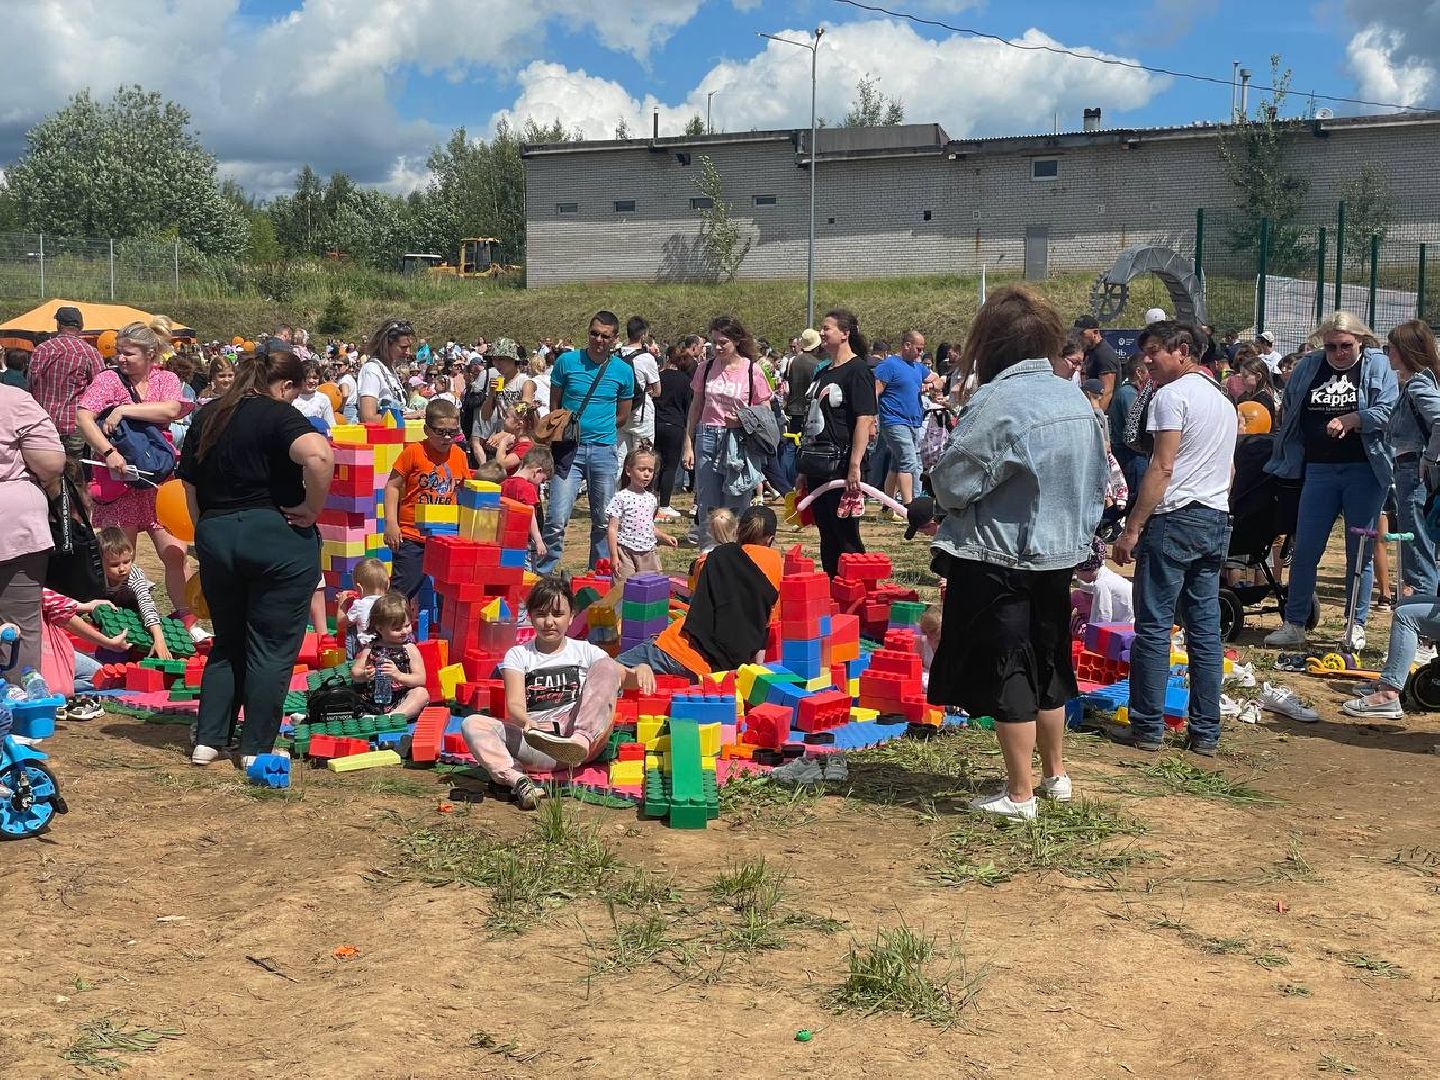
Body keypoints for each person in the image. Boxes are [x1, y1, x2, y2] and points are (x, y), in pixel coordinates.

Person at [928, 284, 1106, 819]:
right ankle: (1056, 775)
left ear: (991, 343)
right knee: (1049, 663)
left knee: (1009, 669)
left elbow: (955, 482)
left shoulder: (1000, 401)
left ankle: (1019, 792)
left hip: (999, 555)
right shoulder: (1072, 396)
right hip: (1058, 553)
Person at [178, 345, 335, 767]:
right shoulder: (278, 413)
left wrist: (205, 528)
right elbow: (319, 455)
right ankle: (256, 747)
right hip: (274, 536)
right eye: (294, 392)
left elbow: (188, 486)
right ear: (284, 385)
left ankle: (208, 740)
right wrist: (313, 509)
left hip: (217, 533)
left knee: (227, 640)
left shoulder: (208, 414)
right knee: (270, 647)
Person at [1111, 322, 1236, 755]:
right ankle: (1206, 732)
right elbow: (1230, 470)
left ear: (1183, 351)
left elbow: (1161, 468)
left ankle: (1147, 726)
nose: (1147, 359)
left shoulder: (1170, 396)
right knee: (1204, 631)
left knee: (1154, 626)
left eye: (1154, 351)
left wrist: (1132, 528)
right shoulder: (1223, 400)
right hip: (1214, 517)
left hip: (1175, 517)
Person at [1263, 312, 1396, 651]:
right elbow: (1291, 404)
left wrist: (1353, 418)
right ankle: (1295, 623)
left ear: (1360, 341)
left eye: (1346, 346)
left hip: (1364, 469)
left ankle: (1355, 625)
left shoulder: (1377, 366)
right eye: (1332, 346)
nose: (1338, 353)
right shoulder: (1310, 366)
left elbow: (1388, 410)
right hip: (1318, 469)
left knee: (1359, 552)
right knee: (1306, 548)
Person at [75, 319, 197, 636]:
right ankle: (119, 618)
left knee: (175, 553)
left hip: (158, 482)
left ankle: (187, 618)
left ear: (150, 353)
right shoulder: (108, 380)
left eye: (128, 353)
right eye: (119, 353)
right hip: (119, 483)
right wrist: (107, 452)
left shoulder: (166, 379)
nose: (121, 359)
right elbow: (83, 416)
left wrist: (123, 411)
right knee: (117, 559)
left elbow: (172, 410)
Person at [459, 576, 622, 809]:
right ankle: (519, 781)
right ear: (531, 617)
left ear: (572, 616)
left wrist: (641, 670)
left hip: (580, 740)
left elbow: (621, 675)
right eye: (541, 614)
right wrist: (527, 722)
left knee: (608, 666)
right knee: (472, 723)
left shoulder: (585, 651)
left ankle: (579, 740)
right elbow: (514, 705)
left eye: (557, 614)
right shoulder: (518, 655)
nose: (549, 622)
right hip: (539, 741)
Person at [618, 505, 782, 687]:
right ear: (771, 539)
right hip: (717, 674)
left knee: (606, 670)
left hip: (676, 650)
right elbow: (765, 633)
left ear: (739, 532)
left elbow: (694, 584)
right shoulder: (776, 570)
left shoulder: (714, 557)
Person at [538, 312, 635, 573]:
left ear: (615, 339)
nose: (598, 340)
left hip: (604, 449)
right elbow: (555, 405)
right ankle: (544, 576)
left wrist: (599, 427)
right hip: (570, 449)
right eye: (594, 333)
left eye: (605, 336)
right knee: (557, 518)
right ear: (588, 332)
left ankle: (598, 575)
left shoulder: (624, 371)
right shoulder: (567, 362)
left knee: (603, 521)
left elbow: (623, 416)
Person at [797, 309, 877, 576]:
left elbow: (864, 419)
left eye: (827, 328)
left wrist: (855, 464)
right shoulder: (822, 373)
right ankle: (833, 590)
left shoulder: (859, 371)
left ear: (845, 334)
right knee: (827, 533)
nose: (822, 332)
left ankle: (855, 591)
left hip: (843, 466)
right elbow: (811, 423)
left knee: (846, 535)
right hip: (817, 465)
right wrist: (802, 470)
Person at [683, 315, 772, 552]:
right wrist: (688, 443)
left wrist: (742, 420)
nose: (718, 347)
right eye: (714, 342)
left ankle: (733, 554)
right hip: (708, 436)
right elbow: (696, 407)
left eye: (723, 342)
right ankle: (707, 557)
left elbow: (766, 412)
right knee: (708, 505)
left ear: (737, 341)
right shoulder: (706, 368)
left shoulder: (752, 371)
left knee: (735, 503)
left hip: (738, 441)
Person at [0, 384, 65, 684]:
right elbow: (51, 463)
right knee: (20, 625)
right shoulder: (14, 399)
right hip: (15, 524)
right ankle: (20, 711)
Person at [383, 398, 472, 599]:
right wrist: (390, 523)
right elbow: (392, 486)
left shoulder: (459, 454)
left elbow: (465, 490)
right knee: (402, 590)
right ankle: (383, 628)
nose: (447, 437)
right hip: (412, 535)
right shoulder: (413, 452)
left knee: (448, 592)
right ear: (426, 429)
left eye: (453, 432)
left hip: (445, 535)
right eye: (440, 431)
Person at [1383, 319, 1440, 600]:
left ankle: (1426, 629)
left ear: (1404, 351)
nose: (1387, 354)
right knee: (1418, 546)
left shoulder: (1418, 387)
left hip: (1413, 473)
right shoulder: (1418, 383)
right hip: (1408, 471)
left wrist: (1428, 458)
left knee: (1417, 549)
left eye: (1390, 348)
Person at [26, 305, 103, 464]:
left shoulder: (41, 350)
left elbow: (31, 385)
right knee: (75, 474)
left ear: (58, 325)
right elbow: (101, 390)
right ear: (81, 326)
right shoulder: (89, 352)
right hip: (75, 425)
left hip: (44, 423)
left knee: (46, 474)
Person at [39, 587, 128, 711]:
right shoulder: (25, 583)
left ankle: (50, 682)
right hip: (41, 648)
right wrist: (108, 643)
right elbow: (62, 613)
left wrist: (85, 606)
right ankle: (50, 685)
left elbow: (49, 599)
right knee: (99, 676)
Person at [351, 592, 430, 721]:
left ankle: (392, 718)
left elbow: (421, 679)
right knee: (348, 696)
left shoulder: (409, 648)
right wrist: (364, 674)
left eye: (407, 625)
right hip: (373, 699)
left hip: (401, 700)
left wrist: (398, 675)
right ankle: (374, 716)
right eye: (397, 628)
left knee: (421, 693)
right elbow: (355, 672)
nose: (405, 631)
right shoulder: (372, 646)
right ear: (380, 628)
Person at [874, 329, 931, 506]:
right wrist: (871, 418)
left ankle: (887, 505)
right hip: (893, 421)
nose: (920, 353)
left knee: (897, 463)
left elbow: (937, 379)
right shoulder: (888, 365)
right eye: (918, 349)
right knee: (908, 460)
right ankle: (909, 506)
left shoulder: (917, 367)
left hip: (913, 421)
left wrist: (930, 384)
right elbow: (875, 392)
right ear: (907, 345)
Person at [606, 448, 678, 586]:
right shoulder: (620, 497)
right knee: (623, 588)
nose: (646, 474)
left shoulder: (651, 499)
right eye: (641, 469)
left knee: (652, 588)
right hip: (626, 552)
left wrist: (664, 536)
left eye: (650, 471)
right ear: (628, 471)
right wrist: (614, 555)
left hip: (648, 552)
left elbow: (647, 526)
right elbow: (612, 529)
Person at [97, 527, 172, 659]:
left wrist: (159, 638)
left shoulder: (134, 575)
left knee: (131, 597)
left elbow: (146, 603)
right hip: (100, 603)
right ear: (100, 561)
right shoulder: (95, 573)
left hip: (128, 604)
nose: (122, 569)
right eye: (114, 565)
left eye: (127, 562)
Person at [653, 345, 694, 521]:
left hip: (656, 424)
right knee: (670, 467)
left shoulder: (658, 377)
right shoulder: (685, 381)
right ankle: (664, 504)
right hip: (675, 425)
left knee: (654, 465)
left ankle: (651, 500)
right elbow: (689, 407)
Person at [616, 316, 662, 467]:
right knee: (643, 457)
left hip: (621, 412)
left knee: (619, 460)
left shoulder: (616, 355)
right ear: (643, 335)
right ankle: (640, 489)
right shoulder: (646, 358)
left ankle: (615, 490)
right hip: (641, 413)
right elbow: (657, 390)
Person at [500, 447, 553, 569]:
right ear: (537, 471)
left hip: (505, 540)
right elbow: (530, 514)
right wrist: (538, 540)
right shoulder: (527, 488)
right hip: (523, 542)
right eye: (543, 479)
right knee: (526, 575)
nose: (541, 483)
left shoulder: (504, 483)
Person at [782, 328, 822, 486]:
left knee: (791, 446)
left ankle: (787, 481)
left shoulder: (794, 361)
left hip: (792, 408)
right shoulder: (817, 365)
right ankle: (799, 479)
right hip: (807, 410)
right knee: (804, 446)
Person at [357, 318, 418, 423]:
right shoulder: (372, 370)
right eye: (403, 347)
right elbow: (368, 417)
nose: (408, 352)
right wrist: (410, 416)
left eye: (409, 347)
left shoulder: (389, 369)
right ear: (386, 345)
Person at [1110, 355, 1148, 504]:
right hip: (1130, 455)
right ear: (1139, 372)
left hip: (1131, 454)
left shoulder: (1128, 392)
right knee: (1134, 498)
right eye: (1148, 370)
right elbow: (1135, 425)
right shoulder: (1128, 393)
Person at [336, 556, 390, 660]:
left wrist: (341, 605)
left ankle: (351, 660)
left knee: (350, 626)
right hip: (389, 646)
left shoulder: (359, 605)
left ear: (359, 588)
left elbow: (340, 624)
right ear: (387, 585)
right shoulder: (391, 603)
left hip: (367, 650)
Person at [1074, 315, 1120, 412]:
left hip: (1104, 413)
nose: (1078, 337)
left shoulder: (1104, 354)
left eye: (1082, 334)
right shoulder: (1087, 350)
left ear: (1095, 332)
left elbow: (1107, 392)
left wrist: (1097, 419)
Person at [292, 360, 336, 430]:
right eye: (308, 377)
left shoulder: (323, 399)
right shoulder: (292, 398)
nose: (311, 381)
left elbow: (331, 425)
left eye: (315, 378)